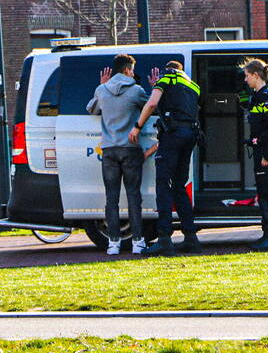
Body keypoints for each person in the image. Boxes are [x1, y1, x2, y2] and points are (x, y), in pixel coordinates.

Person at [130, 59, 201, 256]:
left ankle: (164, 239)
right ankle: (191, 238)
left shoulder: (167, 78)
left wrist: (137, 126)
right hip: (190, 135)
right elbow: (179, 104)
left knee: (163, 185)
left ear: (167, 70)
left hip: (172, 135)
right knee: (179, 186)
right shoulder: (193, 85)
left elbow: (152, 103)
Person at [86, 54, 154, 256]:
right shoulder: (136, 90)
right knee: (133, 196)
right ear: (126, 70)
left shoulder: (102, 90)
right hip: (130, 149)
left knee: (111, 198)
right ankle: (138, 242)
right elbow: (150, 107)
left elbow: (92, 109)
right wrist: (154, 87)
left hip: (109, 150)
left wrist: (101, 86)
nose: (133, 74)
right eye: (132, 70)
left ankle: (113, 243)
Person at [241, 58, 268, 251]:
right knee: (264, 193)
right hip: (263, 150)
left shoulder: (266, 97)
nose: (245, 80)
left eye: (247, 76)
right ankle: (267, 233)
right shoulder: (258, 96)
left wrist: (265, 154)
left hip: (267, 152)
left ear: (256, 75)